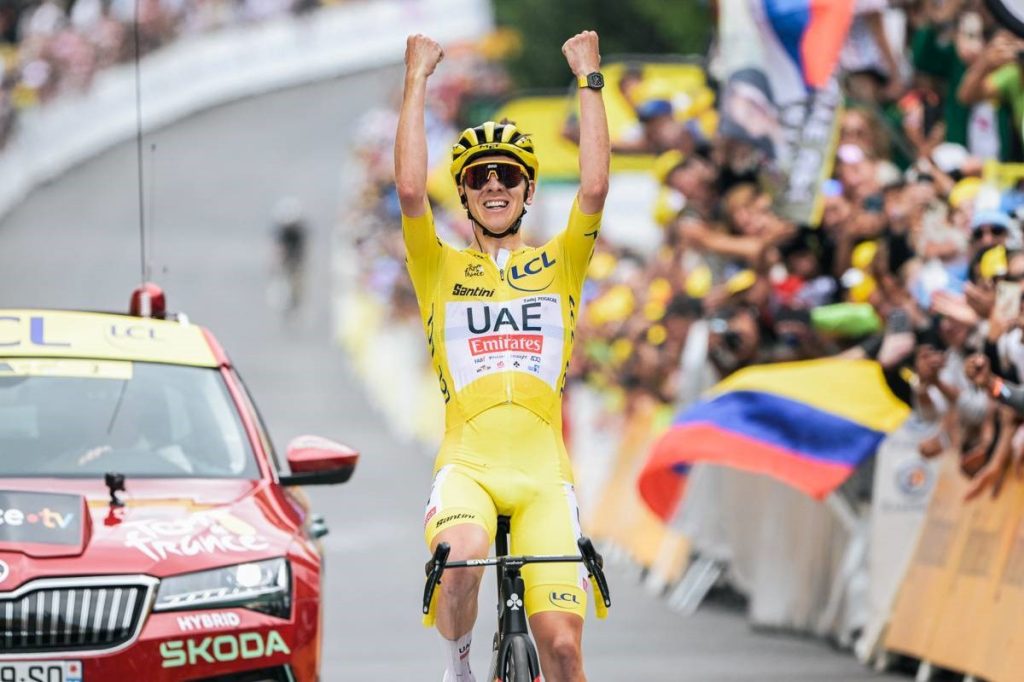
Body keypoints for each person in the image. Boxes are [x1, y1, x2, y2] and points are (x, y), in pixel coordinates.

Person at [394, 30, 609, 682]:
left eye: (507, 176)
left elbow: (595, 188)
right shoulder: (438, 266)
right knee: (460, 559)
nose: (494, 185)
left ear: (526, 191)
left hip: (545, 474)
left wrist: (589, 78)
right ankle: (459, 667)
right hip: (471, 467)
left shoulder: (561, 262)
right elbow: (407, 192)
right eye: (478, 177)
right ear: (463, 194)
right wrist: (417, 80)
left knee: (566, 653)